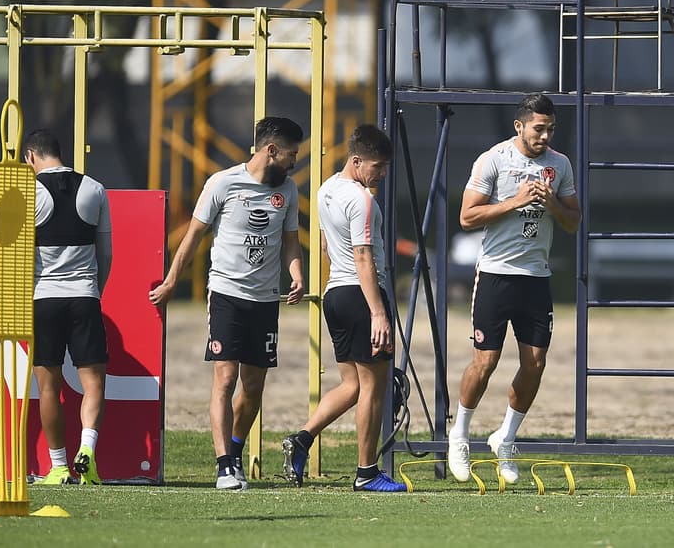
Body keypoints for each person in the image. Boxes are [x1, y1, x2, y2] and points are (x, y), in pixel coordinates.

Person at [149, 116, 305, 490]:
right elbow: (192, 238)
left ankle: (234, 452)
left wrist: (297, 274)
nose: (293, 161)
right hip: (226, 296)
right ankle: (223, 467)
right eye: (291, 154)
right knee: (225, 378)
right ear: (271, 150)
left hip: (265, 301)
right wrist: (171, 281)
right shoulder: (222, 183)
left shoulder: (288, 190)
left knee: (253, 388)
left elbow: (290, 242)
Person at [447, 93, 580, 484]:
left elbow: (573, 221)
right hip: (496, 274)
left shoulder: (560, 164)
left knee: (535, 364)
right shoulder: (494, 159)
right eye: (539, 128)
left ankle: (505, 437)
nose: (545, 136)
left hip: (536, 277)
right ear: (519, 126)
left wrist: (552, 203)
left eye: (550, 129)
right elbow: (467, 216)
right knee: (485, 362)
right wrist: (515, 201)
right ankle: (460, 433)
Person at [279, 124, 406, 492]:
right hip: (363, 295)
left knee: (351, 385)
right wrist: (378, 312)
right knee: (373, 387)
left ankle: (301, 440)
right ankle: (367, 473)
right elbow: (363, 257)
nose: (381, 174)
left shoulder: (325, 190)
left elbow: (324, 246)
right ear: (356, 161)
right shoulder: (361, 199)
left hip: (336, 294)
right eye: (377, 167)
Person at [24, 129, 113, 485]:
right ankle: (87, 449)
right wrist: (95, 290)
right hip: (84, 296)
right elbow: (105, 254)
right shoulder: (95, 188)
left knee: (49, 388)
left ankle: (59, 466)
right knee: (94, 385)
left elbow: (15, 255)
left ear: (31, 156)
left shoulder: (28, 192)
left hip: (43, 299)